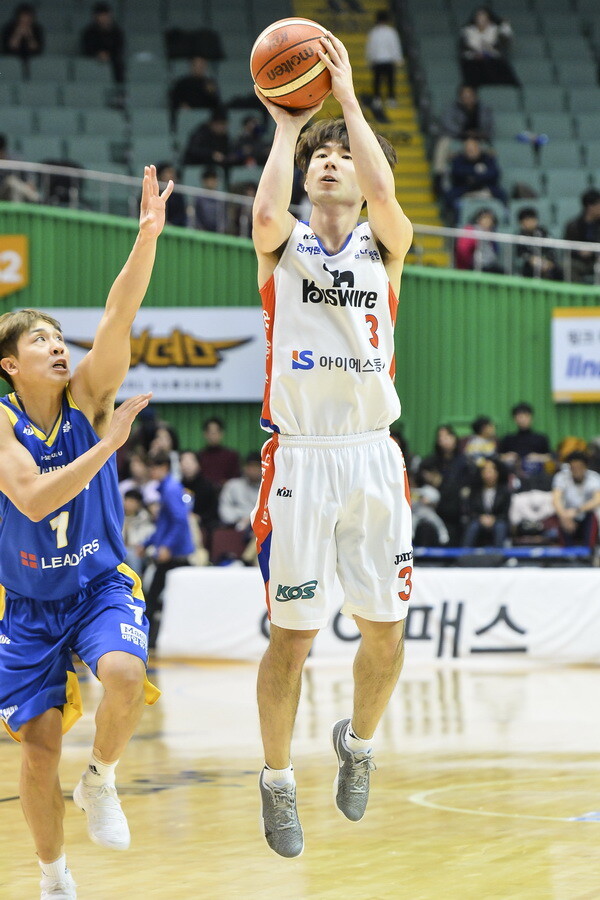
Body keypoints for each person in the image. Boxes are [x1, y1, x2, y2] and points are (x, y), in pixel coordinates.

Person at [251, 31, 413, 858]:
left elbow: (385, 195)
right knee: (294, 635)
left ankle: (359, 743)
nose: (329, 162)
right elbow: (264, 214)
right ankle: (278, 780)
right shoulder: (284, 247)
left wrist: (347, 100)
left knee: (385, 630)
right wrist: (288, 124)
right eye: (321, 156)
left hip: (373, 454)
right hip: (302, 457)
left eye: (342, 155)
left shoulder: (388, 245)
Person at [0, 165, 173, 899]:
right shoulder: (2, 424)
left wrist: (147, 237)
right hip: (27, 602)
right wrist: (110, 449)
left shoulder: (92, 397)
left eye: (59, 338)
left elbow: (118, 313)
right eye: (41, 341)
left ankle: (101, 777)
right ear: (11, 364)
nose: (58, 346)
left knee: (125, 674)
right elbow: (34, 499)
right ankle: (54, 878)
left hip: (99, 582)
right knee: (39, 750)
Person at [139, 450, 194, 650]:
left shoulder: (170, 489)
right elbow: (165, 524)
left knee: (154, 598)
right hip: (173, 553)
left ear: (163, 467)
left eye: (153, 467)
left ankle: (147, 641)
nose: (150, 472)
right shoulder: (167, 488)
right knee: (157, 597)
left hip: (174, 555)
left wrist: (166, 547)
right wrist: (147, 543)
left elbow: (180, 521)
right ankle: (149, 640)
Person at [432, 84, 494, 195]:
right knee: (443, 142)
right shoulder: (452, 108)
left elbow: (488, 127)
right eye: (465, 96)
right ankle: (439, 176)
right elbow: (447, 124)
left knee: (492, 149)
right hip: (458, 137)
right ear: (460, 97)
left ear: (475, 96)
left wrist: (477, 134)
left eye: (470, 96)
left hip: (478, 138)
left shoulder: (483, 109)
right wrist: (462, 133)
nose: (467, 99)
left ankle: (485, 180)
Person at [419, 424, 472, 545]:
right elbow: (422, 477)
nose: (444, 440)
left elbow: (464, 485)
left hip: (455, 509)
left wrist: (441, 483)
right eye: (441, 437)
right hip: (434, 509)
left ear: (454, 438)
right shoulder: (432, 461)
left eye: (448, 436)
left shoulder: (464, 461)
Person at [446, 137, 507, 224]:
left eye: (473, 149)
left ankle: (504, 220)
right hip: (464, 188)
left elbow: (494, 173)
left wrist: (473, 176)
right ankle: (455, 223)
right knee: (450, 196)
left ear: (478, 148)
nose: (471, 152)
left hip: (485, 187)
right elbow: (457, 173)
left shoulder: (487, 158)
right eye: (468, 149)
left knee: (502, 195)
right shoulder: (458, 159)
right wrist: (477, 172)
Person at [459, 6, 519, 88]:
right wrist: (476, 54)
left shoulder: (495, 29)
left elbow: (505, 43)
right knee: (472, 67)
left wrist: (505, 25)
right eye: (479, 17)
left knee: (498, 66)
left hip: (492, 60)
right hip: (473, 61)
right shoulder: (468, 30)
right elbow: (464, 49)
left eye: (484, 17)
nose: (481, 20)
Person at [497, 401, 552, 489]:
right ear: (515, 419)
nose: (522, 419)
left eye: (525, 416)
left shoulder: (541, 438)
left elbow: (550, 457)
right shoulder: (508, 439)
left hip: (537, 478)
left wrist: (538, 457)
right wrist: (507, 457)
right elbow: (498, 457)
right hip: (512, 477)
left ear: (531, 417)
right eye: (519, 416)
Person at [552, 451, 600, 549]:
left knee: (594, 516)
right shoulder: (561, 477)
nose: (576, 471)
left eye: (579, 467)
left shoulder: (594, 477)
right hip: (567, 515)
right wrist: (564, 517)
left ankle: (589, 551)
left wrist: (578, 510)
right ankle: (566, 553)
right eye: (573, 468)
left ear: (585, 467)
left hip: (585, 514)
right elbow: (556, 499)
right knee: (559, 517)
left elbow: (597, 499)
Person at [462, 456, 511, 548]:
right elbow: (470, 510)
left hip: (498, 520)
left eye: (490, 471)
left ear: (497, 473)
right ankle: (465, 553)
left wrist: (494, 519)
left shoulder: (505, 492)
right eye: (485, 471)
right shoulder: (474, 491)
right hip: (478, 520)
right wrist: (481, 518)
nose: (488, 475)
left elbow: (505, 513)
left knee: (500, 527)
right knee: (473, 526)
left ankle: (499, 554)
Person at [365, 10, 403, 111]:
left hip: (378, 61)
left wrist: (369, 59)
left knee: (377, 81)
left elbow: (370, 48)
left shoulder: (374, 32)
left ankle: (377, 99)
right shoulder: (391, 32)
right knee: (390, 81)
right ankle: (391, 99)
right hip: (389, 61)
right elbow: (395, 46)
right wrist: (398, 59)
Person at [218, 450, 262, 538]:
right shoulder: (232, 486)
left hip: (260, 530)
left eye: (257, 466)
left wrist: (251, 520)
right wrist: (244, 518)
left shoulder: (269, 489)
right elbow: (224, 512)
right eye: (250, 466)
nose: (253, 470)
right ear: (244, 468)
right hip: (235, 529)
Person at [80, 1, 125, 84]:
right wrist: (98, 54)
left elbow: (119, 48)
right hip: (92, 59)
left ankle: (119, 89)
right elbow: (86, 48)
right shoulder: (89, 32)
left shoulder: (117, 32)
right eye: (101, 15)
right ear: (95, 16)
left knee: (119, 63)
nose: (103, 18)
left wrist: (109, 55)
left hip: (113, 60)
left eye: (105, 15)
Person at [169, 56, 221, 126]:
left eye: (202, 66)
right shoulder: (182, 83)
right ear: (191, 67)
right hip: (186, 115)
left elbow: (216, 104)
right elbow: (174, 98)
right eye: (197, 66)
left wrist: (211, 93)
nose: (199, 68)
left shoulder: (210, 83)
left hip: (205, 117)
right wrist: (181, 105)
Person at [563, 188, 600, 284]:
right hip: (579, 261)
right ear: (590, 207)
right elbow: (567, 246)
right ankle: (577, 292)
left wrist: (593, 251)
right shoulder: (573, 225)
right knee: (568, 266)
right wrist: (579, 251)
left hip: (597, 259)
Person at [516, 206, 563, 281]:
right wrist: (532, 260)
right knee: (529, 270)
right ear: (521, 223)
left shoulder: (543, 232)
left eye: (533, 219)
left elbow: (551, 250)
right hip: (530, 265)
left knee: (558, 271)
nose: (531, 222)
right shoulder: (519, 236)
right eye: (527, 220)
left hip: (546, 262)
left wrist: (548, 262)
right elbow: (521, 254)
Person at [455, 207, 503, 272]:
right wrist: (467, 265)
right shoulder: (470, 231)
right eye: (485, 218)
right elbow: (463, 251)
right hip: (473, 267)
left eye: (490, 219)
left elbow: (495, 252)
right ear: (478, 219)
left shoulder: (492, 234)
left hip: (489, 266)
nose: (488, 221)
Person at [198, 416, 240, 489]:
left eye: (216, 432)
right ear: (205, 434)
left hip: (226, 491)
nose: (213, 435)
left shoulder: (231, 456)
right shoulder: (199, 456)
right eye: (210, 432)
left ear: (221, 433)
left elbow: (236, 479)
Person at [122, 488, 154, 575]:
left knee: (132, 556)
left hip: (139, 552)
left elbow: (147, 538)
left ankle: (135, 581)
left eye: (131, 501)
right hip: (120, 549)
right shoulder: (118, 517)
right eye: (126, 500)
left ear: (138, 504)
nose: (128, 504)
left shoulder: (145, 518)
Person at [194, 168, 226, 233]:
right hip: (202, 233)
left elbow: (224, 218)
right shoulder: (199, 198)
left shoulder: (221, 199)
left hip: (218, 233)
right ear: (204, 181)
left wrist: (221, 232)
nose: (211, 182)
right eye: (209, 179)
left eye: (213, 179)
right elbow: (196, 218)